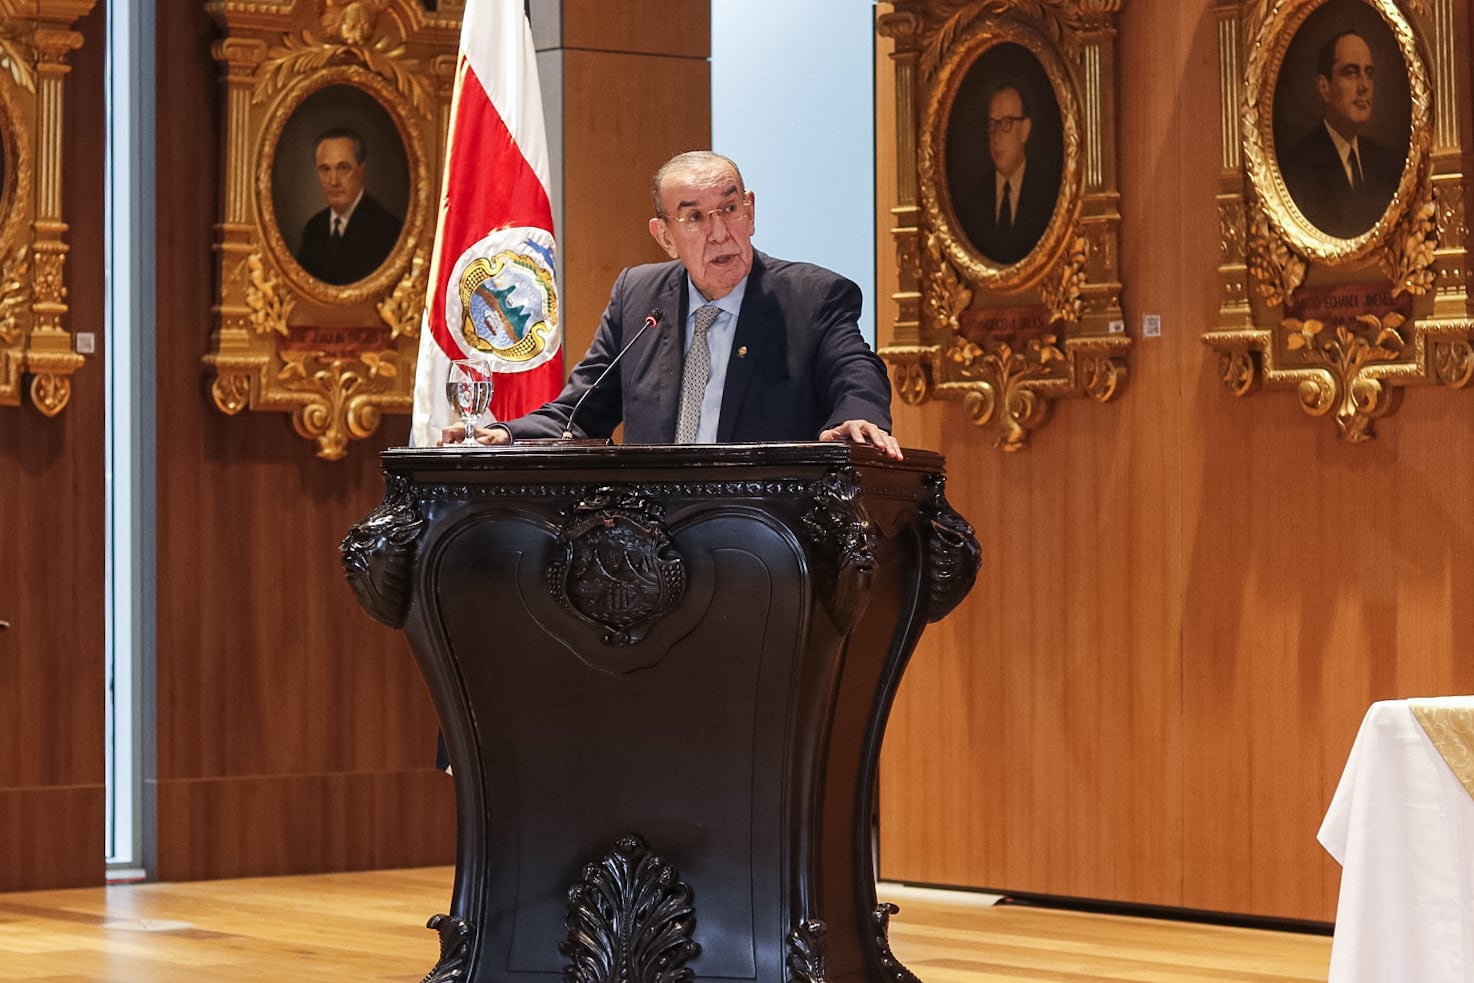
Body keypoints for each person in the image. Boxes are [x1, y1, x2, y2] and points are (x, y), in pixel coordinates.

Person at [445, 150, 902, 459]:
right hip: (651, 541)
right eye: (695, 218)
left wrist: (857, 416)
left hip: (764, 534)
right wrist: (503, 434)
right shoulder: (638, 296)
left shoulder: (811, 296)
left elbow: (855, 370)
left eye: (729, 209)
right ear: (664, 235)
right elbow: (581, 410)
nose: (719, 232)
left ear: (751, 212)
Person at [1278, 29, 1401, 239]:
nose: (1363, 86)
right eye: (1351, 73)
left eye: (1368, 74)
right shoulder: (1297, 167)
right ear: (1324, 88)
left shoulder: (1386, 163)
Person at [952, 81, 1059, 265]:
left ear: (1025, 130)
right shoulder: (972, 202)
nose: (996, 136)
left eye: (1006, 123)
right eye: (992, 125)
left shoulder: (1052, 195)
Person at [295, 127, 403, 285]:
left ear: (361, 170)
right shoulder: (313, 230)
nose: (333, 181)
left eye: (343, 168)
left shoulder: (388, 230)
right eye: (325, 169)